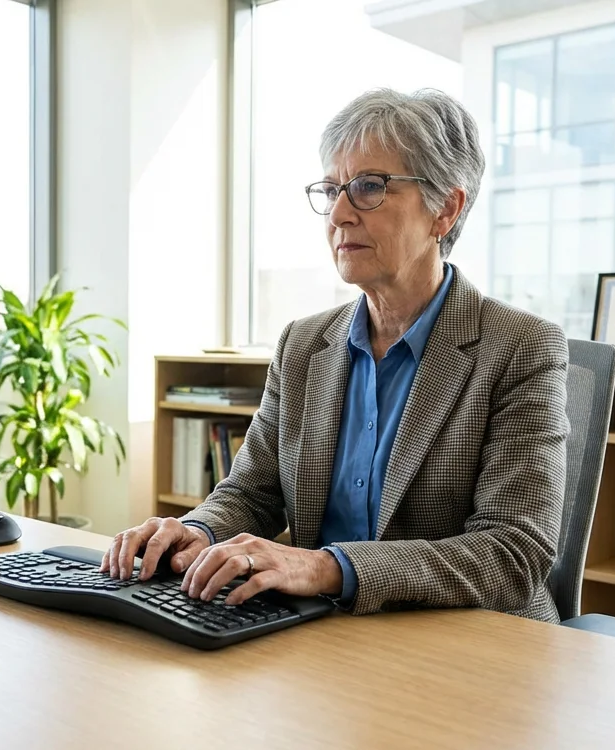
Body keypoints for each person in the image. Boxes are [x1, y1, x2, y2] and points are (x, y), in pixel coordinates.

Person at [102, 88, 569, 621]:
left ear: (445, 208)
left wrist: (325, 568)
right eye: (331, 190)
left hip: (470, 647)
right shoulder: (303, 344)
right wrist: (198, 529)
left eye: (369, 187)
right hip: (320, 634)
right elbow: (252, 493)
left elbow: (513, 554)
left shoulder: (521, 347)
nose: (340, 213)